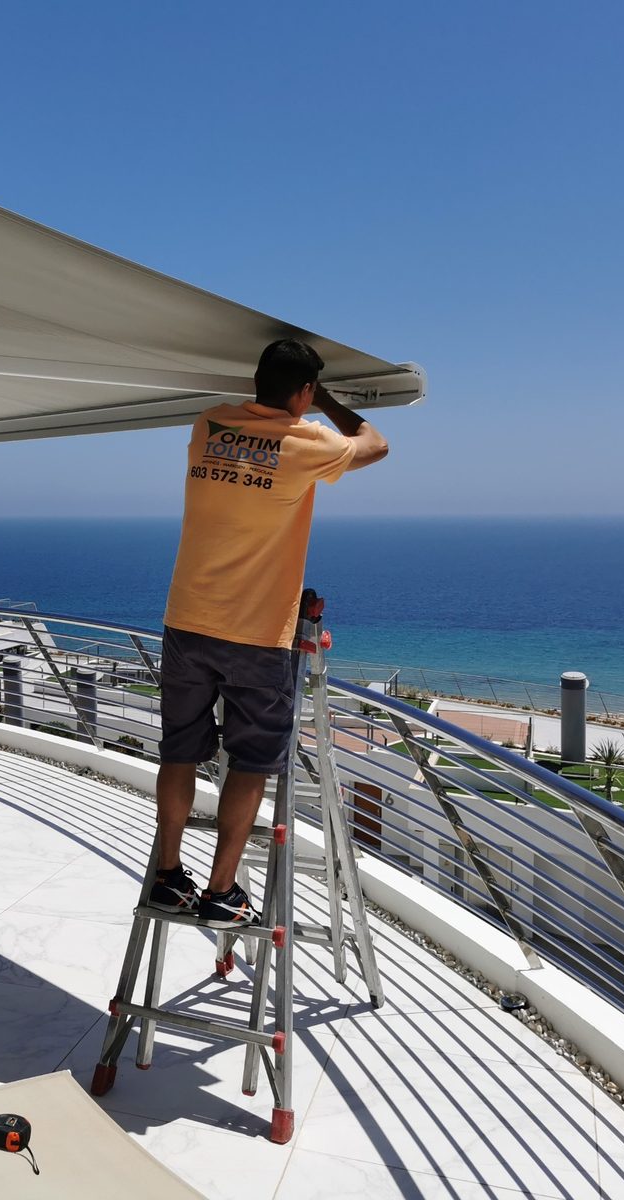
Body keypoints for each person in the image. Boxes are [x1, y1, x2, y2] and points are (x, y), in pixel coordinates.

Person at [149, 339, 390, 929]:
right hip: (255, 631)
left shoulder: (208, 425)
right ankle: (222, 890)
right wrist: (326, 403)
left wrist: (296, 396)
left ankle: (166, 876)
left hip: (186, 618)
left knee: (179, 748)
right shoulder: (306, 443)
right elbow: (377, 445)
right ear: (304, 393)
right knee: (251, 760)